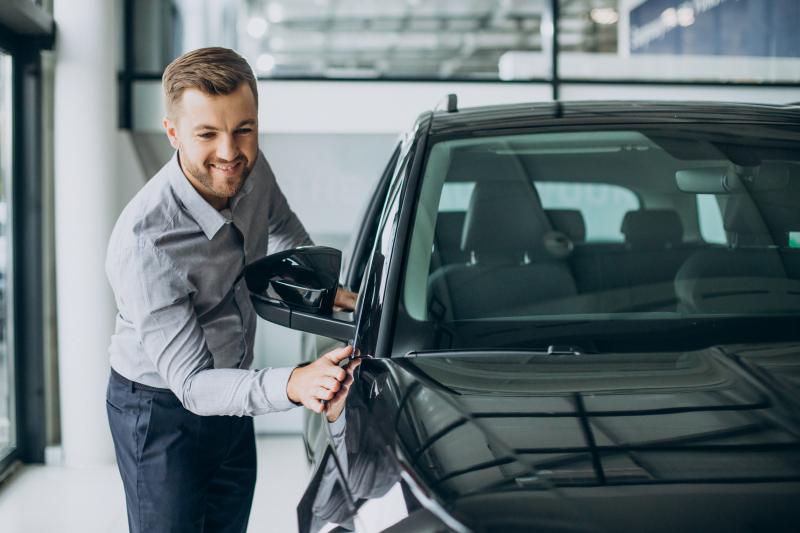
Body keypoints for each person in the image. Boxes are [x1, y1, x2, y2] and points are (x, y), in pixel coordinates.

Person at [105, 47, 358, 533]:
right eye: (207, 134)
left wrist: (328, 291)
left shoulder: (250, 166)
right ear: (173, 133)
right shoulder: (147, 243)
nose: (230, 151)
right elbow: (194, 386)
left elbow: (282, 230)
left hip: (234, 389)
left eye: (244, 128)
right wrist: (294, 383)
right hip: (161, 409)